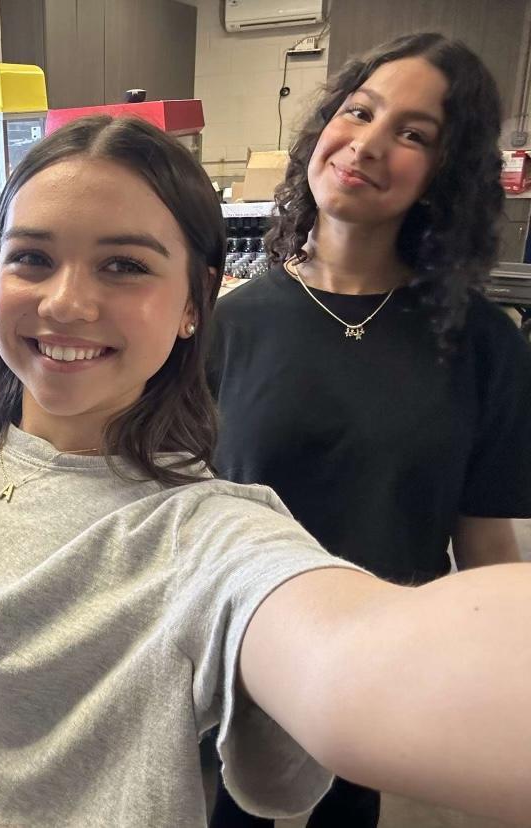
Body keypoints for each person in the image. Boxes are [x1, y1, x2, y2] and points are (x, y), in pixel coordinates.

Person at [0, 115, 531, 827]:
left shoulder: (206, 537)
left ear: (194, 300)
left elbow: (356, 663)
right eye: (32, 258)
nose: (65, 302)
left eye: (124, 265)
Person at [207, 33, 531, 827]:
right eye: (359, 111)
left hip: (378, 685)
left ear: (445, 174)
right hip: (229, 673)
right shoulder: (226, 326)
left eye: (413, 133)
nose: (368, 143)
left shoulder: (483, 344)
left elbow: (485, 545)